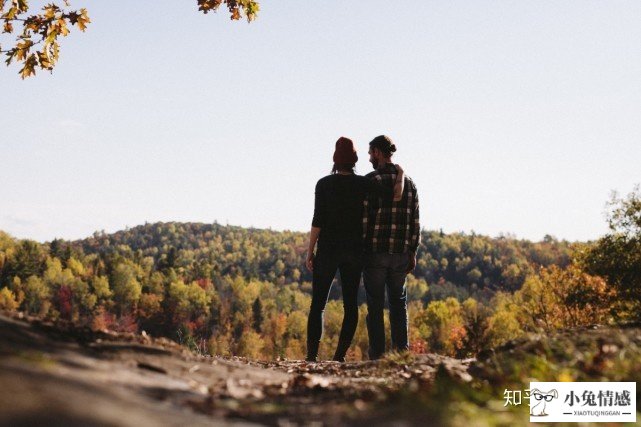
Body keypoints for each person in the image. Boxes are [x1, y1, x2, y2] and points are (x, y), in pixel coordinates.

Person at [305, 137, 404, 362]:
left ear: (335, 160)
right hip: (354, 252)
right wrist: (401, 173)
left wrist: (310, 251)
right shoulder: (363, 184)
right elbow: (394, 195)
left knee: (318, 304)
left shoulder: (323, 184)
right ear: (355, 160)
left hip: (328, 250)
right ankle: (339, 356)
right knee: (350, 305)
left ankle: (312, 356)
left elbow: (317, 221)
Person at [362, 135, 420, 360]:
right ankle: (401, 354)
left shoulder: (371, 181)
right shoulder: (410, 184)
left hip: (375, 252)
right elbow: (415, 221)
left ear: (377, 152)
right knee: (398, 304)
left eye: (370, 153)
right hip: (400, 254)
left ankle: (377, 355)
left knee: (375, 305)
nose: (369, 158)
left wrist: (363, 249)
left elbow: (365, 219)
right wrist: (412, 251)